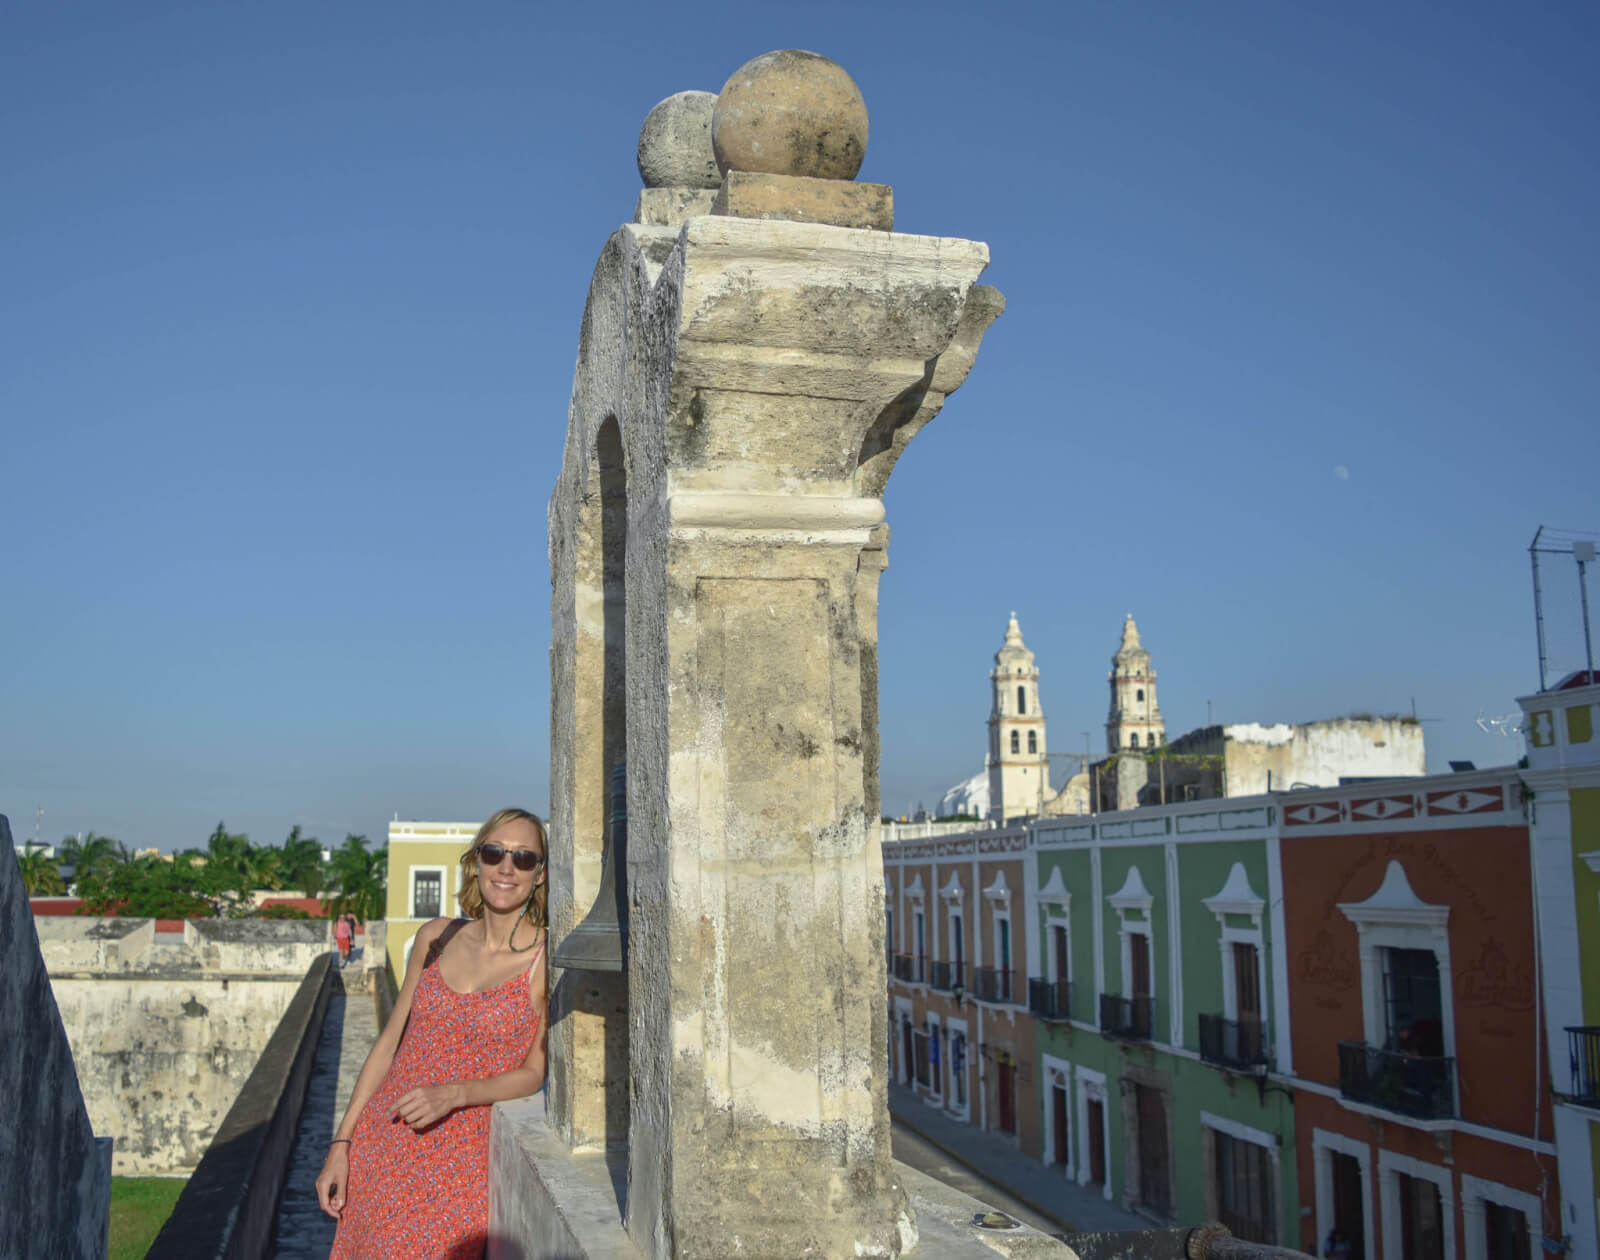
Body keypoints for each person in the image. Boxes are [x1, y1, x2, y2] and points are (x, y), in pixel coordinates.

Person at [317, 808, 549, 1259]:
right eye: (494, 852)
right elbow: (389, 1045)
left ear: (539, 875)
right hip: (383, 1147)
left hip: (459, 1165)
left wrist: (455, 1094)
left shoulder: (544, 960)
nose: (506, 868)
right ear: (476, 861)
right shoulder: (435, 937)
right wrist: (341, 1145)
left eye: (523, 859)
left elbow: (533, 1073)